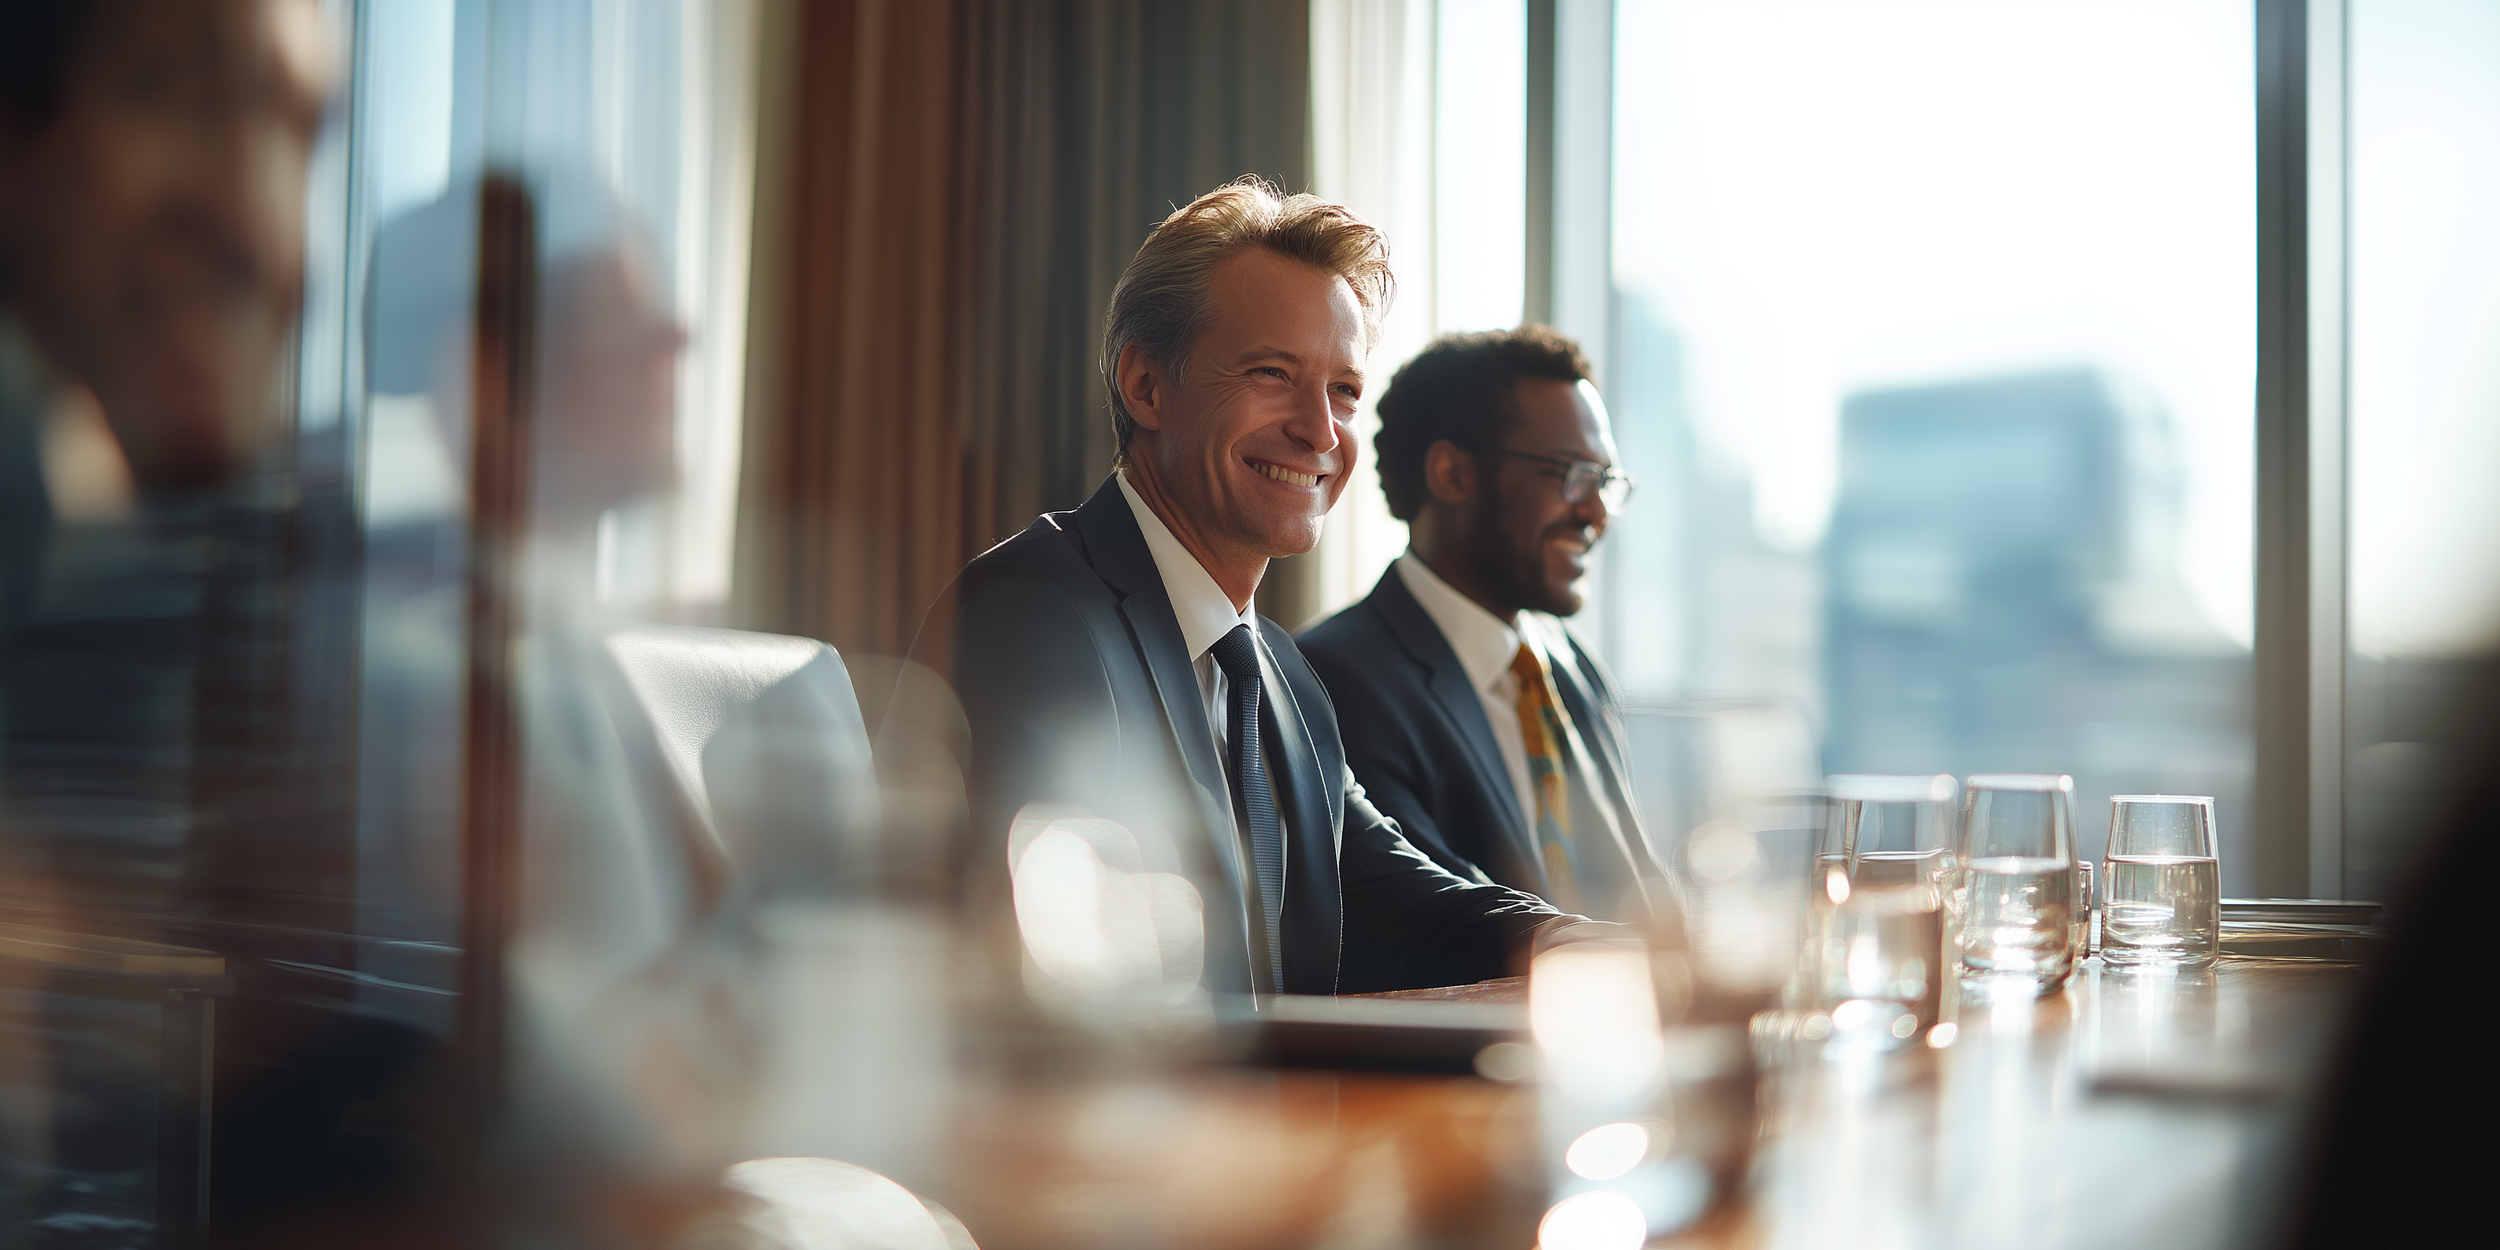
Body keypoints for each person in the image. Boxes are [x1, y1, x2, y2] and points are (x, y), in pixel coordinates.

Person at [913, 179, 1594, 997]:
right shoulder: (1034, 615)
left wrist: (1585, 944)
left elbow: (1396, 896)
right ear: (1147, 387)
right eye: (1273, 373)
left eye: (1344, 390)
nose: (1320, 431)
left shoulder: (1279, 670)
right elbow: (1043, 971)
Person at [1297, 328, 1671, 925]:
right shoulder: (1328, 679)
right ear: (1451, 474)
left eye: (1605, 483)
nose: (1596, 513)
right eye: (1572, 474)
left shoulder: (1573, 667)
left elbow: (1643, 891)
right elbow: (1430, 923)